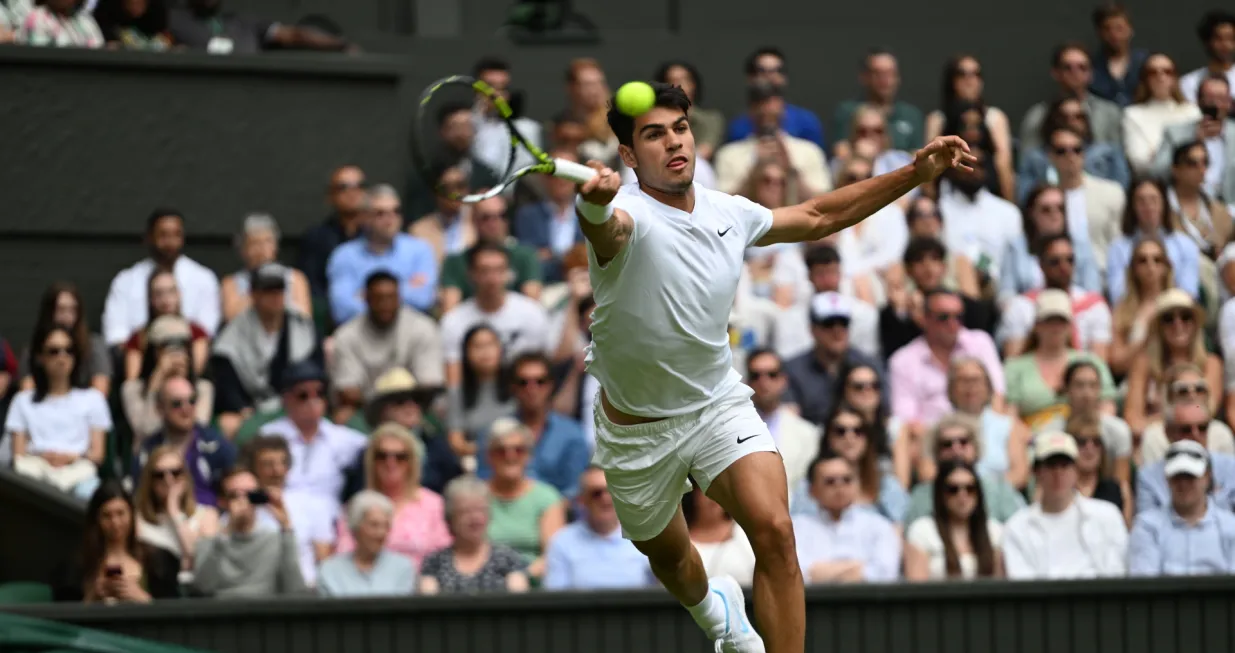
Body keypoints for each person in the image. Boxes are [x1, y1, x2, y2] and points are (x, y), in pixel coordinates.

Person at [573, 81, 973, 653]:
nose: (673, 143)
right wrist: (593, 202)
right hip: (637, 433)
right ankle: (718, 615)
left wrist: (914, 173)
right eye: (653, 135)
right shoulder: (628, 216)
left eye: (679, 128)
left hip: (715, 407)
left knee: (777, 533)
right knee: (676, 563)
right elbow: (604, 229)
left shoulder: (728, 212)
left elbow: (815, 215)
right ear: (630, 157)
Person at [903, 460, 1003, 581]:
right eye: (953, 489)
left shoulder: (995, 531)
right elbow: (916, 589)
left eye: (970, 488)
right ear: (941, 494)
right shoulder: (922, 531)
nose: (962, 495)